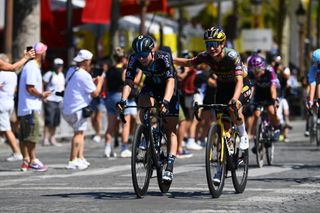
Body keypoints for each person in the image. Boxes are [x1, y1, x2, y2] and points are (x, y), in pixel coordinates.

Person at [117, 35, 179, 183]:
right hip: (151, 85)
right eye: (138, 55)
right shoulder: (134, 58)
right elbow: (129, 81)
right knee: (143, 100)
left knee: (170, 129)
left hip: (168, 88)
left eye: (144, 55)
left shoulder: (163, 57)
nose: (141, 59)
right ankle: (147, 132)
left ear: (152, 51)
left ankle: (169, 167)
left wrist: (165, 101)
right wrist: (123, 100)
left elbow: (171, 81)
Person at [62, 49, 104, 170]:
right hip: (78, 108)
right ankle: (72, 159)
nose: (90, 63)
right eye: (89, 61)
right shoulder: (84, 74)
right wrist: (100, 82)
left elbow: (78, 83)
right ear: (85, 61)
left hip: (70, 107)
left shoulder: (71, 71)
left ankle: (80, 157)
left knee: (80, 133)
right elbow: (95, 93)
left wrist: (92, 81)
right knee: (78, 134)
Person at [17, 42, 51, 171]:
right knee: (31, 135)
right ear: (41, 53)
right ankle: (33, 159)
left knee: (25, 135)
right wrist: (41, 95)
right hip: (30, 106)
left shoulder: (30, 66)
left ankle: (26, 160)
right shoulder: (32, 66)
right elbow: (30, 87)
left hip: (27, 106)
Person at [247, 54, 281, 151]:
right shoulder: (251, 75)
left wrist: (274, 100)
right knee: (256, 115)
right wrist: (248, 99)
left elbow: (273, 88)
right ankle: (256, 140)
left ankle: (277, 127)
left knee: (271, 111)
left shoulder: (270, 72)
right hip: (258, 95)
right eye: (253, 70)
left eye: (257, 70)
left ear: (263, 67)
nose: (256, 72)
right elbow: (251, 88)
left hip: (269, 94)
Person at [104, 47, 132, 158]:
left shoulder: (109, 70)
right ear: (123, 58)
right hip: (120, 97)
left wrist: (106, 96)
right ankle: (124, 148)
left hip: (110, 97)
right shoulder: (124, 71)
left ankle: (107, 148)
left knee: (110, 124)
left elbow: (105, 86)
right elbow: (127, 84)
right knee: (125, 123)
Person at [0, 53, 23, 161]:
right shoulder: (13, 74)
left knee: (6, 129)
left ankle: (17, 152)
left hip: (2, 104)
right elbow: (14, 89)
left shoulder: (2, 74)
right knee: (5, 128)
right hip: (9, 102)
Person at [42, 58, 65, 146]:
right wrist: (43, 96)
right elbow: (42, 84)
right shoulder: (49, 74)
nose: (59, 68)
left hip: (59, 100)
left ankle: (52, 138)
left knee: (56, 121)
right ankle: (45, 138)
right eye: (58, 66)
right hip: (50, 100)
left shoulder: (62, 75)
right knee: (49, 120)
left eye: (61, 66)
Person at [305, 49, 320, 135]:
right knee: (309, 99)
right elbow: (312, 84)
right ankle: (307, 126)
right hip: (315, 84)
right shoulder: (313, 68)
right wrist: (310, 100)